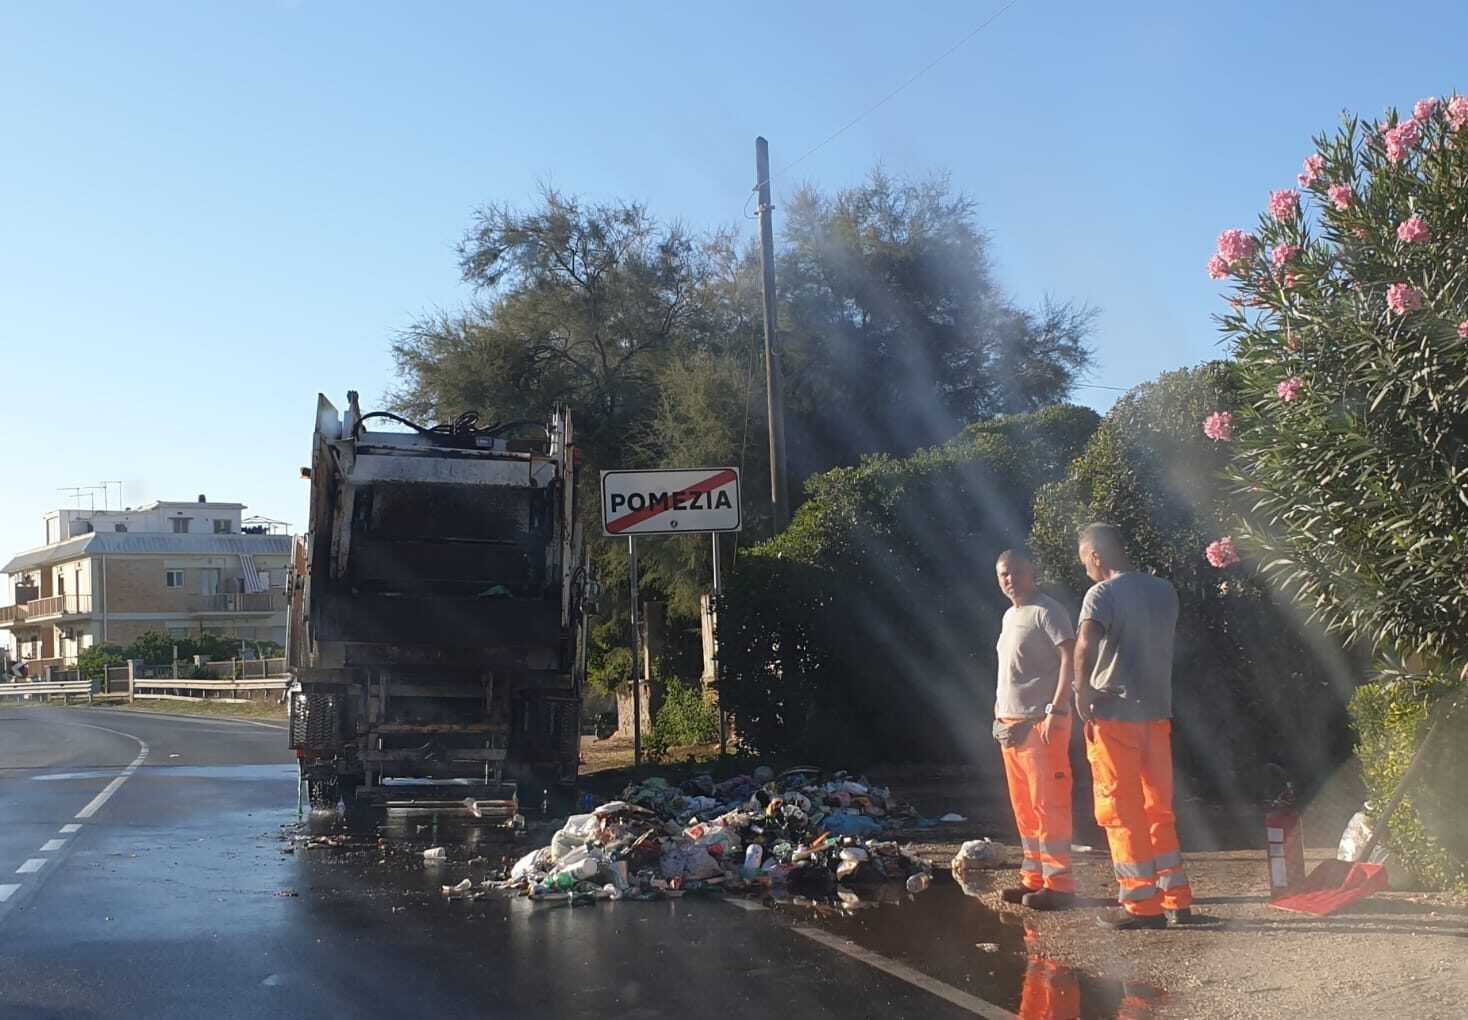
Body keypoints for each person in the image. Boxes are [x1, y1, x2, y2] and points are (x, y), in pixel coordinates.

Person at [1073, 522, 1194, 930]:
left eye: (1085, 562)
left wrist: (1081, 690)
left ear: (1096, 555)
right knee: (1158, 809)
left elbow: (1086, 643)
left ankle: (1141, 907)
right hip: (1157, 715)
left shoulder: (1101, 594)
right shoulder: (1164, 590)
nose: (1086, 571)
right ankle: (1177, 900)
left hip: (1115, 717)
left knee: (1121, 810)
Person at [993, 547, 1076, 911]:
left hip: (1040, 725)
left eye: (1015, 572)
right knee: (1025, 807)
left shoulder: (1048, 611)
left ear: (1032, 571)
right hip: (1010, 726)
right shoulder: (1010, 616)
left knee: (1048, 806)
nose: (1009, 579)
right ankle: (1034, 879)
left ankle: (1059, 885)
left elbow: (1070, 656)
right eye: (1003, 574)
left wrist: (1057, 709)